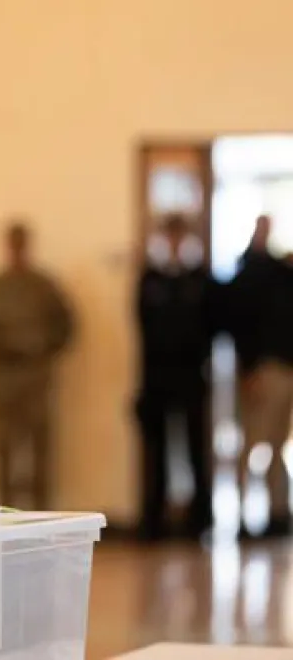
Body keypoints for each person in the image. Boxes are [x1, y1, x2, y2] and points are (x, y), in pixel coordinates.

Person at [0, 220, 74, 511]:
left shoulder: (45, 287)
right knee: (3, 447)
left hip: (37, 376)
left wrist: (44, 354)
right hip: (4, 376)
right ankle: (4, 511)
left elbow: (66, 325)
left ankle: (41, 514)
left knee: (41, 448)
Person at [133, 214, 218, 541]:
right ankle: (154, 519)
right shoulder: (150, 279)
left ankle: (200, 520)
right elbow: (142, 326)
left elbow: (210, 325)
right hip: (156, 376)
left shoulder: (199, 279)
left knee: (196, 448)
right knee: (157, 451)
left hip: (191, 375)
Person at [228, 216, 293, 537]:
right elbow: (243, 323)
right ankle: (241, 516)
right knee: (253, 444)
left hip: (284, 369)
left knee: (278, 445)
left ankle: (278, 513)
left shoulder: (283, 275)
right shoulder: (252, 275)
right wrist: (249, 368)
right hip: (263, 369)